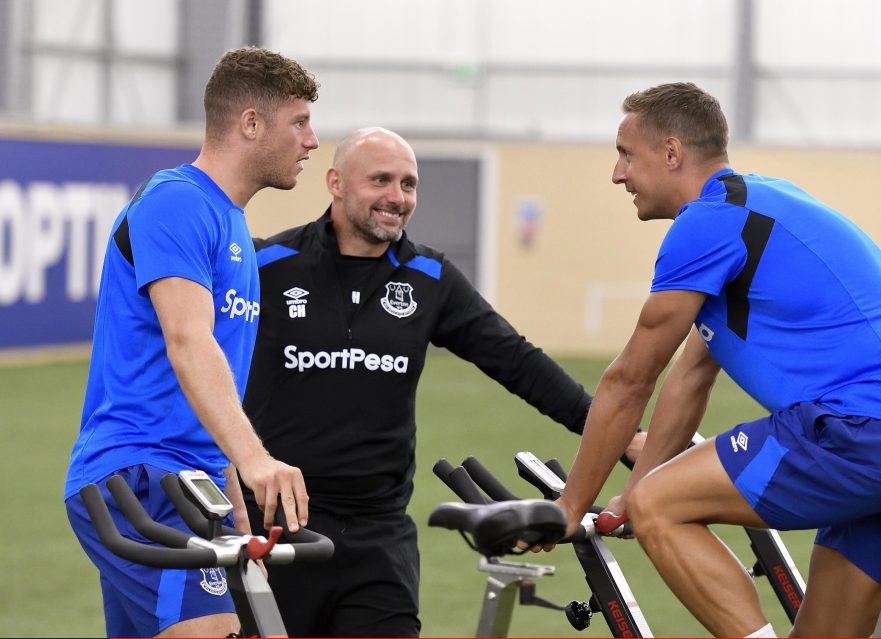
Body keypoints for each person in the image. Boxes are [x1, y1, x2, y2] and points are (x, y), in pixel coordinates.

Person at [548, 83, 881, 637]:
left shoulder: (708, 222)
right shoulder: (757, 203)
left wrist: (570, 507)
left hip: (864, 428)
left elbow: (629, 380)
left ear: (671, 153)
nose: (617, 175)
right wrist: (628, 494)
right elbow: (690, 376)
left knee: (660, 507)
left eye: (625, 154)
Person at [242, 126, 645, 637]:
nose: (397, 197)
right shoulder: (268, 267)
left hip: (378, 541)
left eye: (409, 184)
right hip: (278, 528)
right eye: (381, 180)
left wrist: (619, 433)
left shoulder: (429, 278)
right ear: (336, 182)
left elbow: (518, 362)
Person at [63, 47, 321, 638]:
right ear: (250, 123)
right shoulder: (177, 200)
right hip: (140, 475)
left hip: (190, 484)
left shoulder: (231, 223)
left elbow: (212, 385)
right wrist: (257, 460)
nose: (311, 141)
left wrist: (232, 497)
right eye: (299, 122)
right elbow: (187, 340)